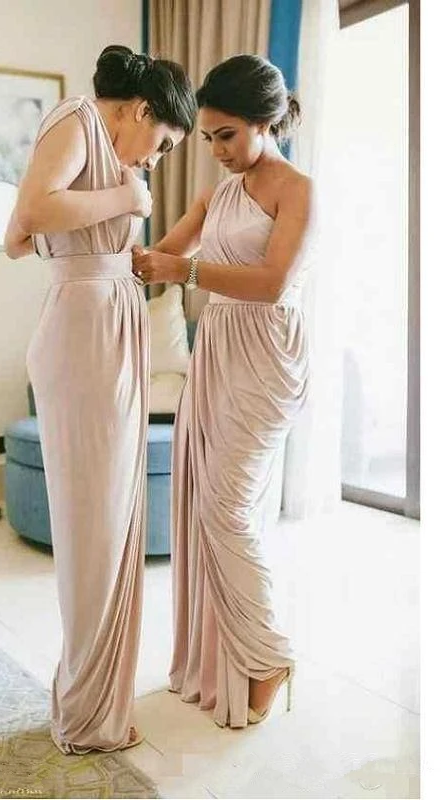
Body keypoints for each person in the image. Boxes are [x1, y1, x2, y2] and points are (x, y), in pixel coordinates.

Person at [4, 45, 195, 754]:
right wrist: (125, 201)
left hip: (102, 323)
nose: (156, 162)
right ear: (141, 110)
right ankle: (87, 713)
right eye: (164, 143)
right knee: (94, 525)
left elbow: (18, 239)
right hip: (86, 335)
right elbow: (30, 213)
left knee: (108, 519)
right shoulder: (77, 120)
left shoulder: (94, 143)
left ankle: (91, 701)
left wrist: (109, 250)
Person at [131, 54, 312, 729]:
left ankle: (268, 656)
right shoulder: (216, 194)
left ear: (266, 121)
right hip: (218, 348)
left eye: (227, 135)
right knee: (206, 504)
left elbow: (271, 283)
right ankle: (230, 658)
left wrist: (185, 270)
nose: (216, 150)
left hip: (266, 354)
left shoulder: (298, 190)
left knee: (226, 508)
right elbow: (158, 258)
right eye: (207, 137)